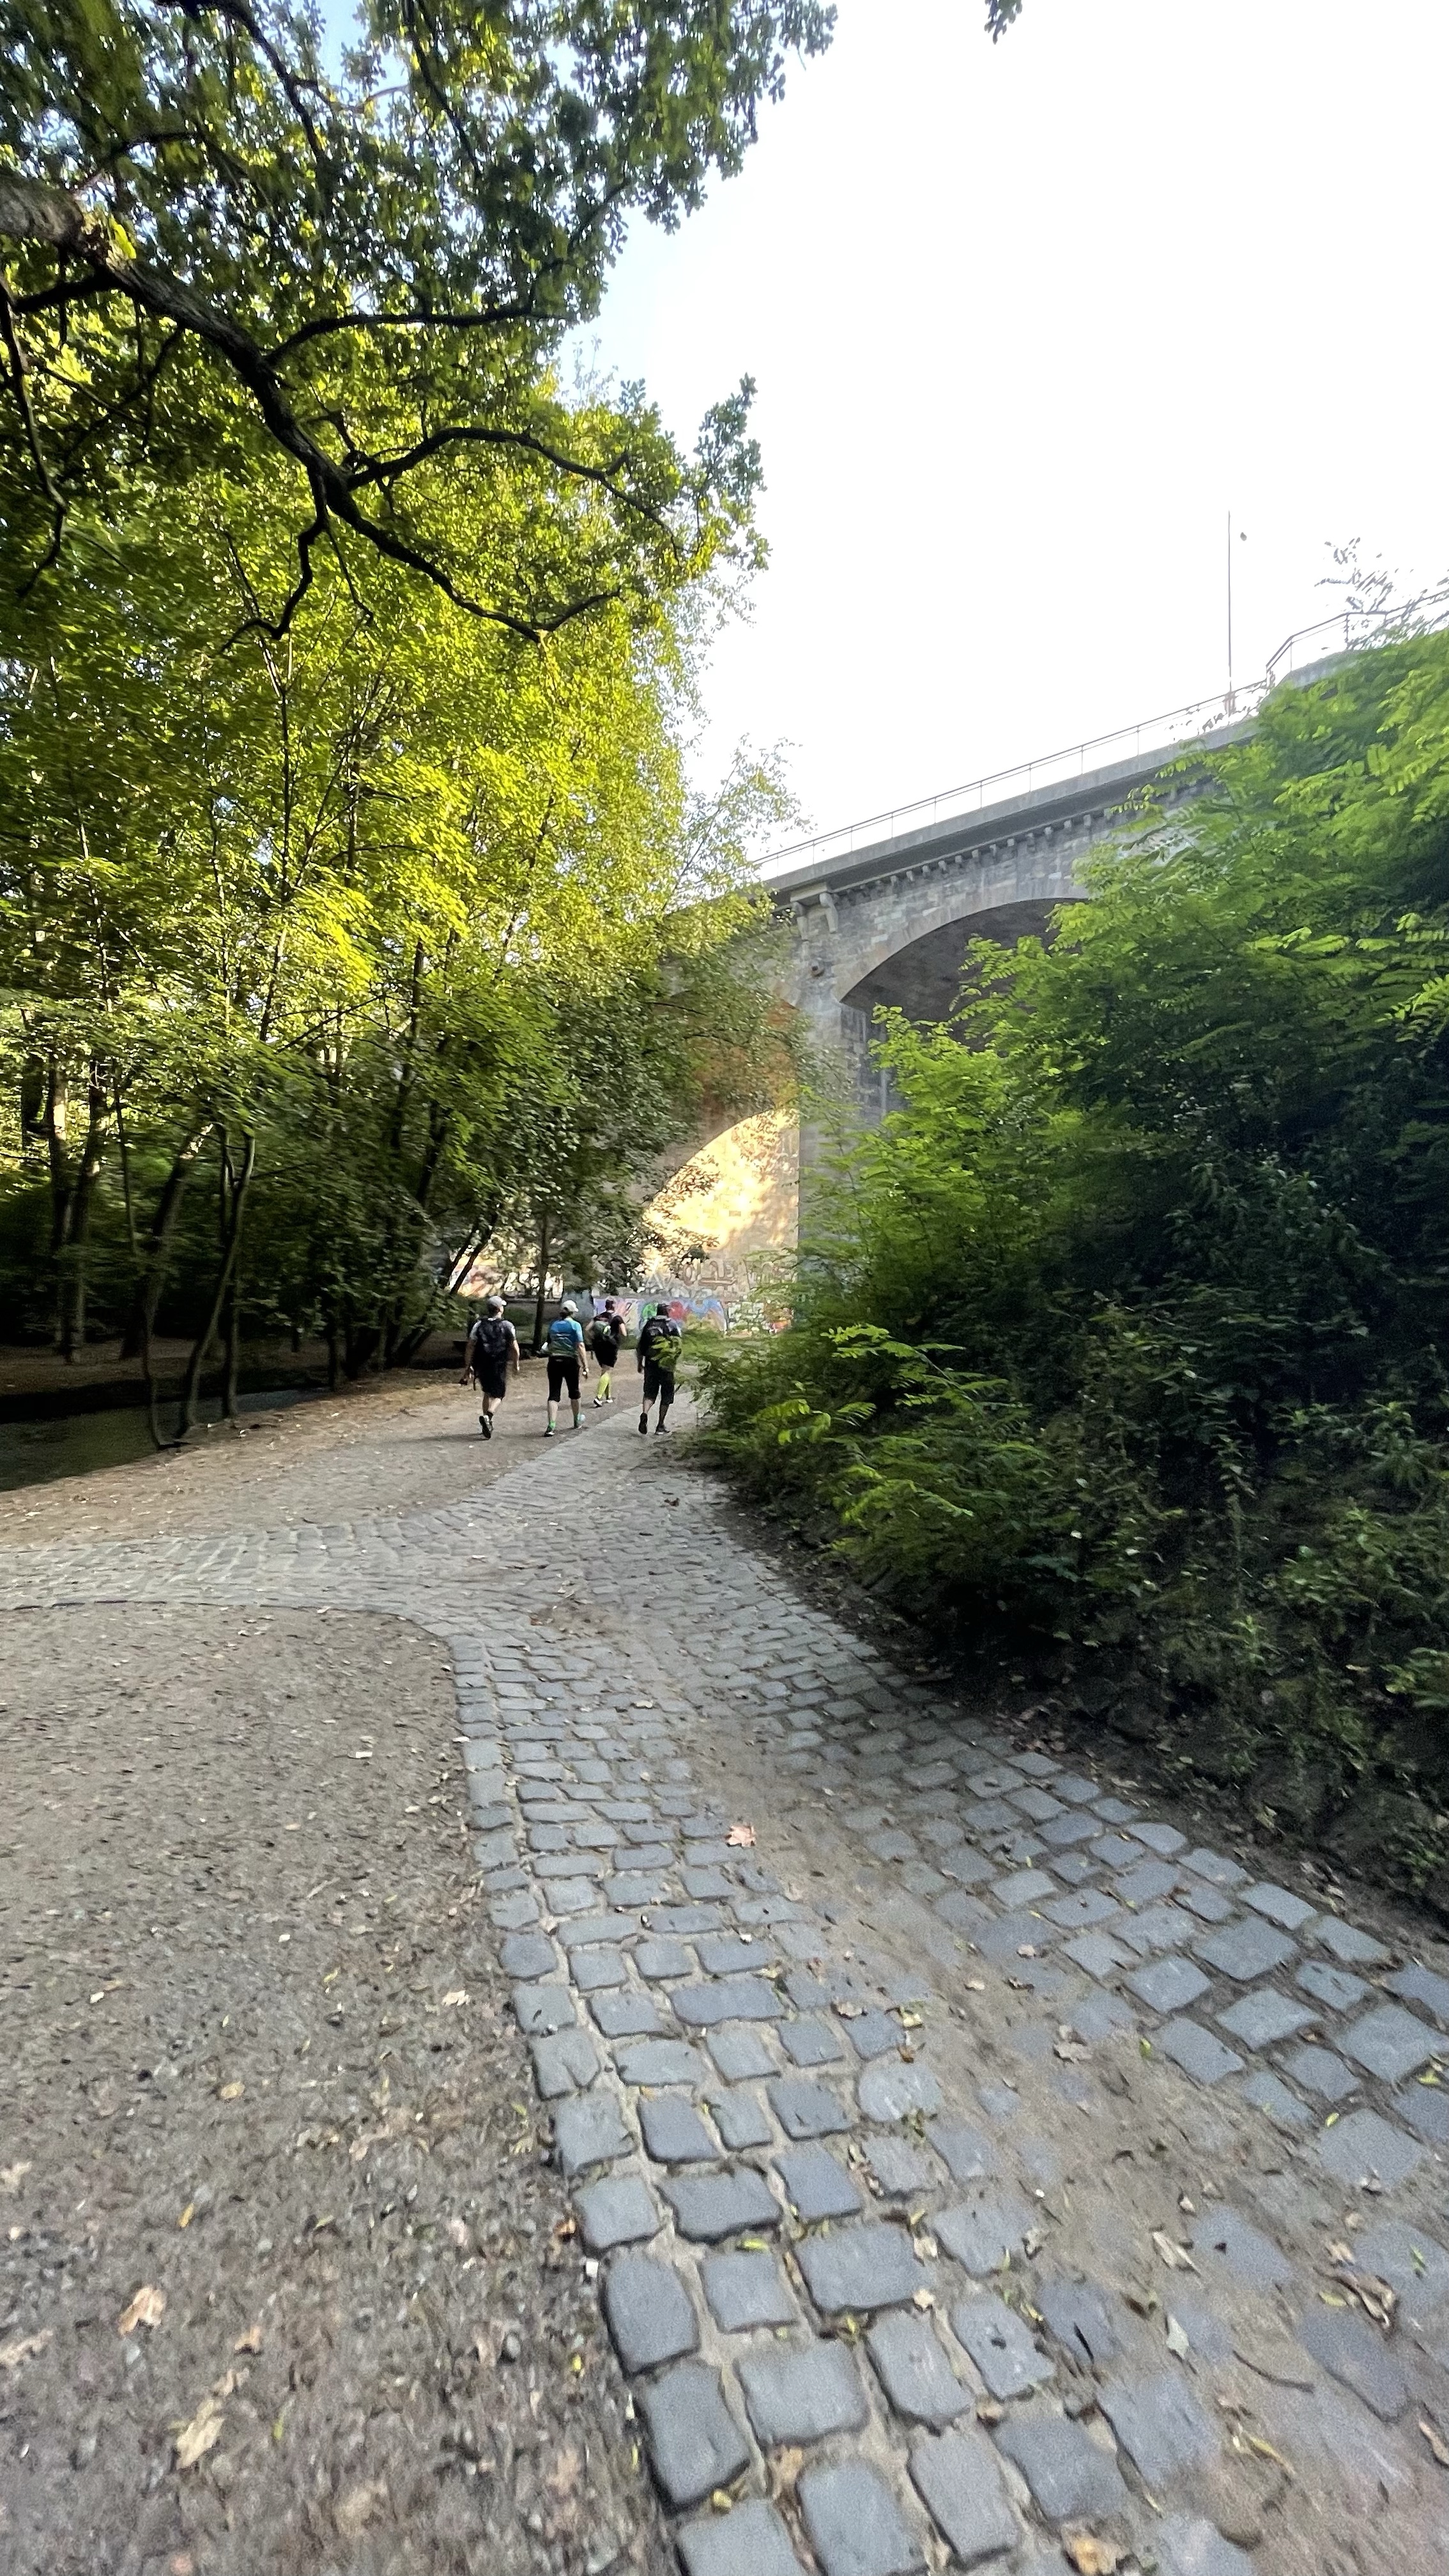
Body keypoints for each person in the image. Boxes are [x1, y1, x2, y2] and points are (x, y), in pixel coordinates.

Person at [461, 1294, 519, 1438]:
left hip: (482, 1363)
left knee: (487, 1392)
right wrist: (516, 1363)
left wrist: (468, 1366)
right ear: (499, 1309)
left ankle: (486, 1424)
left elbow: (470, 1346)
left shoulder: (479, 1325)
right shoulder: (507, 1325)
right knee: (499, 1394)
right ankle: (489, 1416)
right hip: (499, 1363)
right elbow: (514, 1347)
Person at [542, 1297, 588, 1435]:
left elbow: (549, 1343)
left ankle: (551, 1425)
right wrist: (585, 1366)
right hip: (570, 1361)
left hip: (554, 1361)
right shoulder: (575, 1325)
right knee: (574, 1392)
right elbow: (580, 1346)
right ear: (573, 1312)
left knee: (554, 1394)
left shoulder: (553, 1325)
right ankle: (577, 1420)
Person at [636, 1300, 682, 1436]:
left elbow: (640, 1348)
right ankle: (660, 1426)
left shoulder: (648, 1325)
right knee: (666, 1395)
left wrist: (640, 1364)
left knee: (649, 1393)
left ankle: (645, 1413)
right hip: (666, 1365)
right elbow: (678, 1345)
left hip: (651, 1364)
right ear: (667, 1312)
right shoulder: (672, 1325)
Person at [587, 1297, 625, 1406]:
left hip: (598, 1346)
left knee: (605, 1370)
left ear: (605, 1306)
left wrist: (593, 1339)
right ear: (614, 1306)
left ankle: (608, 1397)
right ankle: (598, 1397)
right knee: (607, 1371)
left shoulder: (598, 1317)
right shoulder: (617, 1318)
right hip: (611, 1346)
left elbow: (587, 1329)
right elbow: (624, 1333)